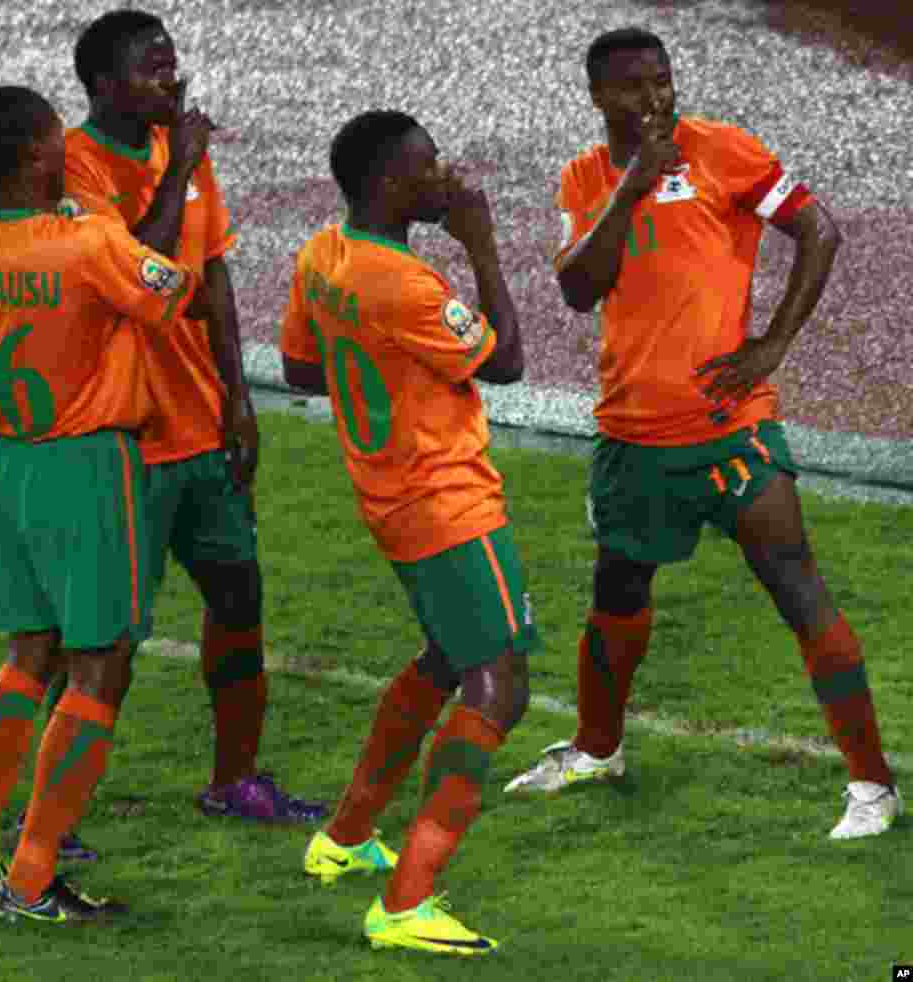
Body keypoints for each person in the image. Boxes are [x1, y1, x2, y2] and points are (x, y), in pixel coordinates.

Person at [503, 27, 901, 839]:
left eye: (663, 79)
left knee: (800, 592)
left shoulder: (725, 151)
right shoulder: (584, 178)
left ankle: (872, 786)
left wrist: (775, 341)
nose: (654, 97)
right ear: (597, 97)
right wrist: (632, 187)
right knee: (616, 599)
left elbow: (819, 229)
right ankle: (596, 748)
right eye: (633, 86)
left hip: (730, 431)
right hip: (632, 436)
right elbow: (579, 289)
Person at [0, 85, 210, 922]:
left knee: (27, 657)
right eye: (55, 137)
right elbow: (168, 285)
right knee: (100, 668)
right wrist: (180, 166)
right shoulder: (84, 243)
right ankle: (31, 879)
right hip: (93, 467)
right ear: (40, 154)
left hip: (14, 465)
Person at [51, 8, 325, 830]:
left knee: (240, 602)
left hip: (201, 428)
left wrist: (240, 399)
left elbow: (211, 276)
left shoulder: (181, 152)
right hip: (122, 438)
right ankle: (48, 826)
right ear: (104, 85)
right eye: (152, 69)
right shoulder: (75, 167)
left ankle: (234, 781)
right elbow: (134, 273)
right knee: (106, 645)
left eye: (173, 64)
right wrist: (183, 169)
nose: (172, 79)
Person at [281, 110, 539, 955]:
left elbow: (299, 368)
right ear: (390, 183)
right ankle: (406, 902)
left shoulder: (322, 255)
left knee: (442, 656)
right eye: (429, 167)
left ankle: (347, 835)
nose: (446, 176)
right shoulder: (407, 285)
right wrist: (481, 244)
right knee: (499, 684)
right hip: (448, 502)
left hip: (387, 495)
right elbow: (504, 360)